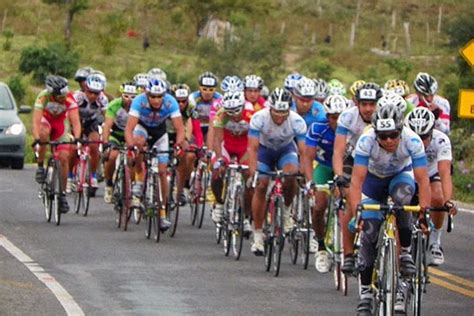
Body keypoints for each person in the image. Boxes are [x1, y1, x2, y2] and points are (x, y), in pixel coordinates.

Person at [351, 105, 431, 315]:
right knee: (368, 232)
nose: (388, 141)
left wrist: (424, 212)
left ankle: (405, 251)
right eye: (383, 136)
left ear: (401, 130)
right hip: (372, 182)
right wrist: (355, 214)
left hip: (400, 177)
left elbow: (423, 180)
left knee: (403, 198)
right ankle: (366, 292)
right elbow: (357, 181)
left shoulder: (412, 140)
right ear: (375, 133)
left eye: (393, 135)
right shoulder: (366, 141)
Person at [247, 88, 307, 255]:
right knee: (261, 185)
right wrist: (254, 174)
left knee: (291, 175)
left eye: (284, 112)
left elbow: (303, 151)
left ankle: (287, 211)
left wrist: (302, 171)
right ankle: (258, 234)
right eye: (276, 112)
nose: (280, 117)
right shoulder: (259, 118)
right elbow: (252, 148)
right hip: (264, 151)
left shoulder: (297, 121)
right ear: (270, 108)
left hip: (285, 150)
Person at [332, 82, 382, 274]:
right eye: (364, 104)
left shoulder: (384, 116)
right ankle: (349, 254)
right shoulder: (347, 117)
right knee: (349, 199)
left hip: (377, 162)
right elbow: (338, 151)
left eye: (372, 104)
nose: (368, 109)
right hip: (354, 159)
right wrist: (339, 176)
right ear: (357, 103)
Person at [125, 78, 185, 230]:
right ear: (147, 94)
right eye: (153, 96)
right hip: (142, 128)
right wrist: (131, 145)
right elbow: (129, 128)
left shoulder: (171, 102)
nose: (156, 100)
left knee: (163, 171)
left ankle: (163, 212)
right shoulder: (139, 101)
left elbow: (179, 129)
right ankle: (139, 178)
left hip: (160, 132)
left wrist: (178, 145)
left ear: (164, 95)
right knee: (138, 143)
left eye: (159, 97)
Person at [303, 95, 349, 273]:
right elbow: (307, 156)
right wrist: (310, 182)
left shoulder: (351, 128)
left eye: (340, 117)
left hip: (344, 167)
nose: (337, 121)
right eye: (333, 117)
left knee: (347, 200)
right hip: (323, 166)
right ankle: (321, 247)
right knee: (319, 205)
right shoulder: (317, 127)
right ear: (327, 116)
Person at [406, 107, 457, 266]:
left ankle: (435, 240)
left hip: (431, 173)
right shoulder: (402, 138)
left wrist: (448, 201)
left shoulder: (441, 140)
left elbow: (445, 173)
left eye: (425, 137)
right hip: (410, 172)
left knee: (438, 197)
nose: (421, 141)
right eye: (417, 136)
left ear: (432, 132)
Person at [33, 75, 81, 213]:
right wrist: (37, 139)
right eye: (59, 96)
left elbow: (75, 122)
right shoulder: (43, 97)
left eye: (64, 95)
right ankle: (40, 166)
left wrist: (77, 138)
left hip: (60, 125)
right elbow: (36, 121)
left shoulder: (69, 98)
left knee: (65, 157)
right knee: (42, 133)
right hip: (46, 122)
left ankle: (62, 195)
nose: (62, 98)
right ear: (51, 94)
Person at [210, 91, 254, 236]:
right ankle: (219, 203)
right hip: (227, 145)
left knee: (249, 176)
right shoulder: (221, 114)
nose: (234, 116)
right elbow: (217, 139)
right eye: (230, 112)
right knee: (217, 171)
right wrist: (220, 159)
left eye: (237, 111)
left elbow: (254, 142)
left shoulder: (251, 114)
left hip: (244, 146)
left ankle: (247, 216)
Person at [72, 73, 109, 192]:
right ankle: (69, 176)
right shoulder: (77, 97)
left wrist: (105, 134)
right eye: (90, 92)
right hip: (76, 119)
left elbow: (107, 118)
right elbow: (71, 116)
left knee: (94, 145)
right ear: (85, 89)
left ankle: (93, 175)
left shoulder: (103, 99)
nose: (93, 96)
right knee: (72, 147)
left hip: (91, 122)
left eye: (96, 93)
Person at [102, 82, 137, 203]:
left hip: (131, 136)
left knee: (133, 160)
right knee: (112, 156)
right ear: (121, 95)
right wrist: (105, 143)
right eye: (126, 96)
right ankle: (109, 185)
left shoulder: (139, 107)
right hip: (116, 135)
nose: (129, 100)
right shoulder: (114, 105)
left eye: (133, 97)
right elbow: (107, 126)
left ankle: (131, 188)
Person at [169, 83, 203, 206]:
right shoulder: (166, 104)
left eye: (184, 101)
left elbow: (197, 129)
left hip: (181, 133)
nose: (181, 104)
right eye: (178, 101)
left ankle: (181, 187)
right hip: (165, 132)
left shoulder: (191, 106)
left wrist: (199, 146)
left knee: (187, 156)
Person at [188, 72, 222, 149]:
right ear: (199, 88)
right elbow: (191, 119)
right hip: (195, 126)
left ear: (215, 89)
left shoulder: (220, 99)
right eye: (204, 89)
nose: (207, 92)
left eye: (211, 89)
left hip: (211, 127)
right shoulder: (193, 98)